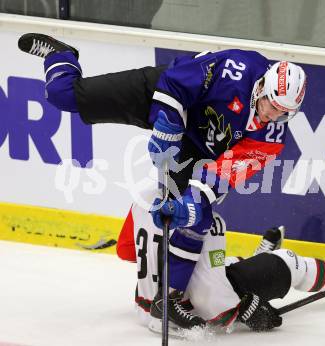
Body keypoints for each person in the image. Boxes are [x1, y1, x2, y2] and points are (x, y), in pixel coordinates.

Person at [17, 32, 307, 330]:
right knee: (62, 95)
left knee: (196, 216)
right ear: (262, 87)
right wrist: (167, 121)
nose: (272, 116)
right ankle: (61, 55)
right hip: (163, 94)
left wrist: (195, 200)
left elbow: (223, 175)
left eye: (283, 114)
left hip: (196, 149)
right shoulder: (236, 66)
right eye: (272, 106)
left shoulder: (271, 136)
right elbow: (177, 79)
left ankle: (169, 298)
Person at [116, 192, 325, 335]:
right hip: (188, 312)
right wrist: (244, 309)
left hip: (149, 305)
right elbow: (210, 294)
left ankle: (257, 258)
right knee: (288, 262)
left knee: (216, 264)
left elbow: (126, 251)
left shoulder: (144, 198)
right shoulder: (201, 216)